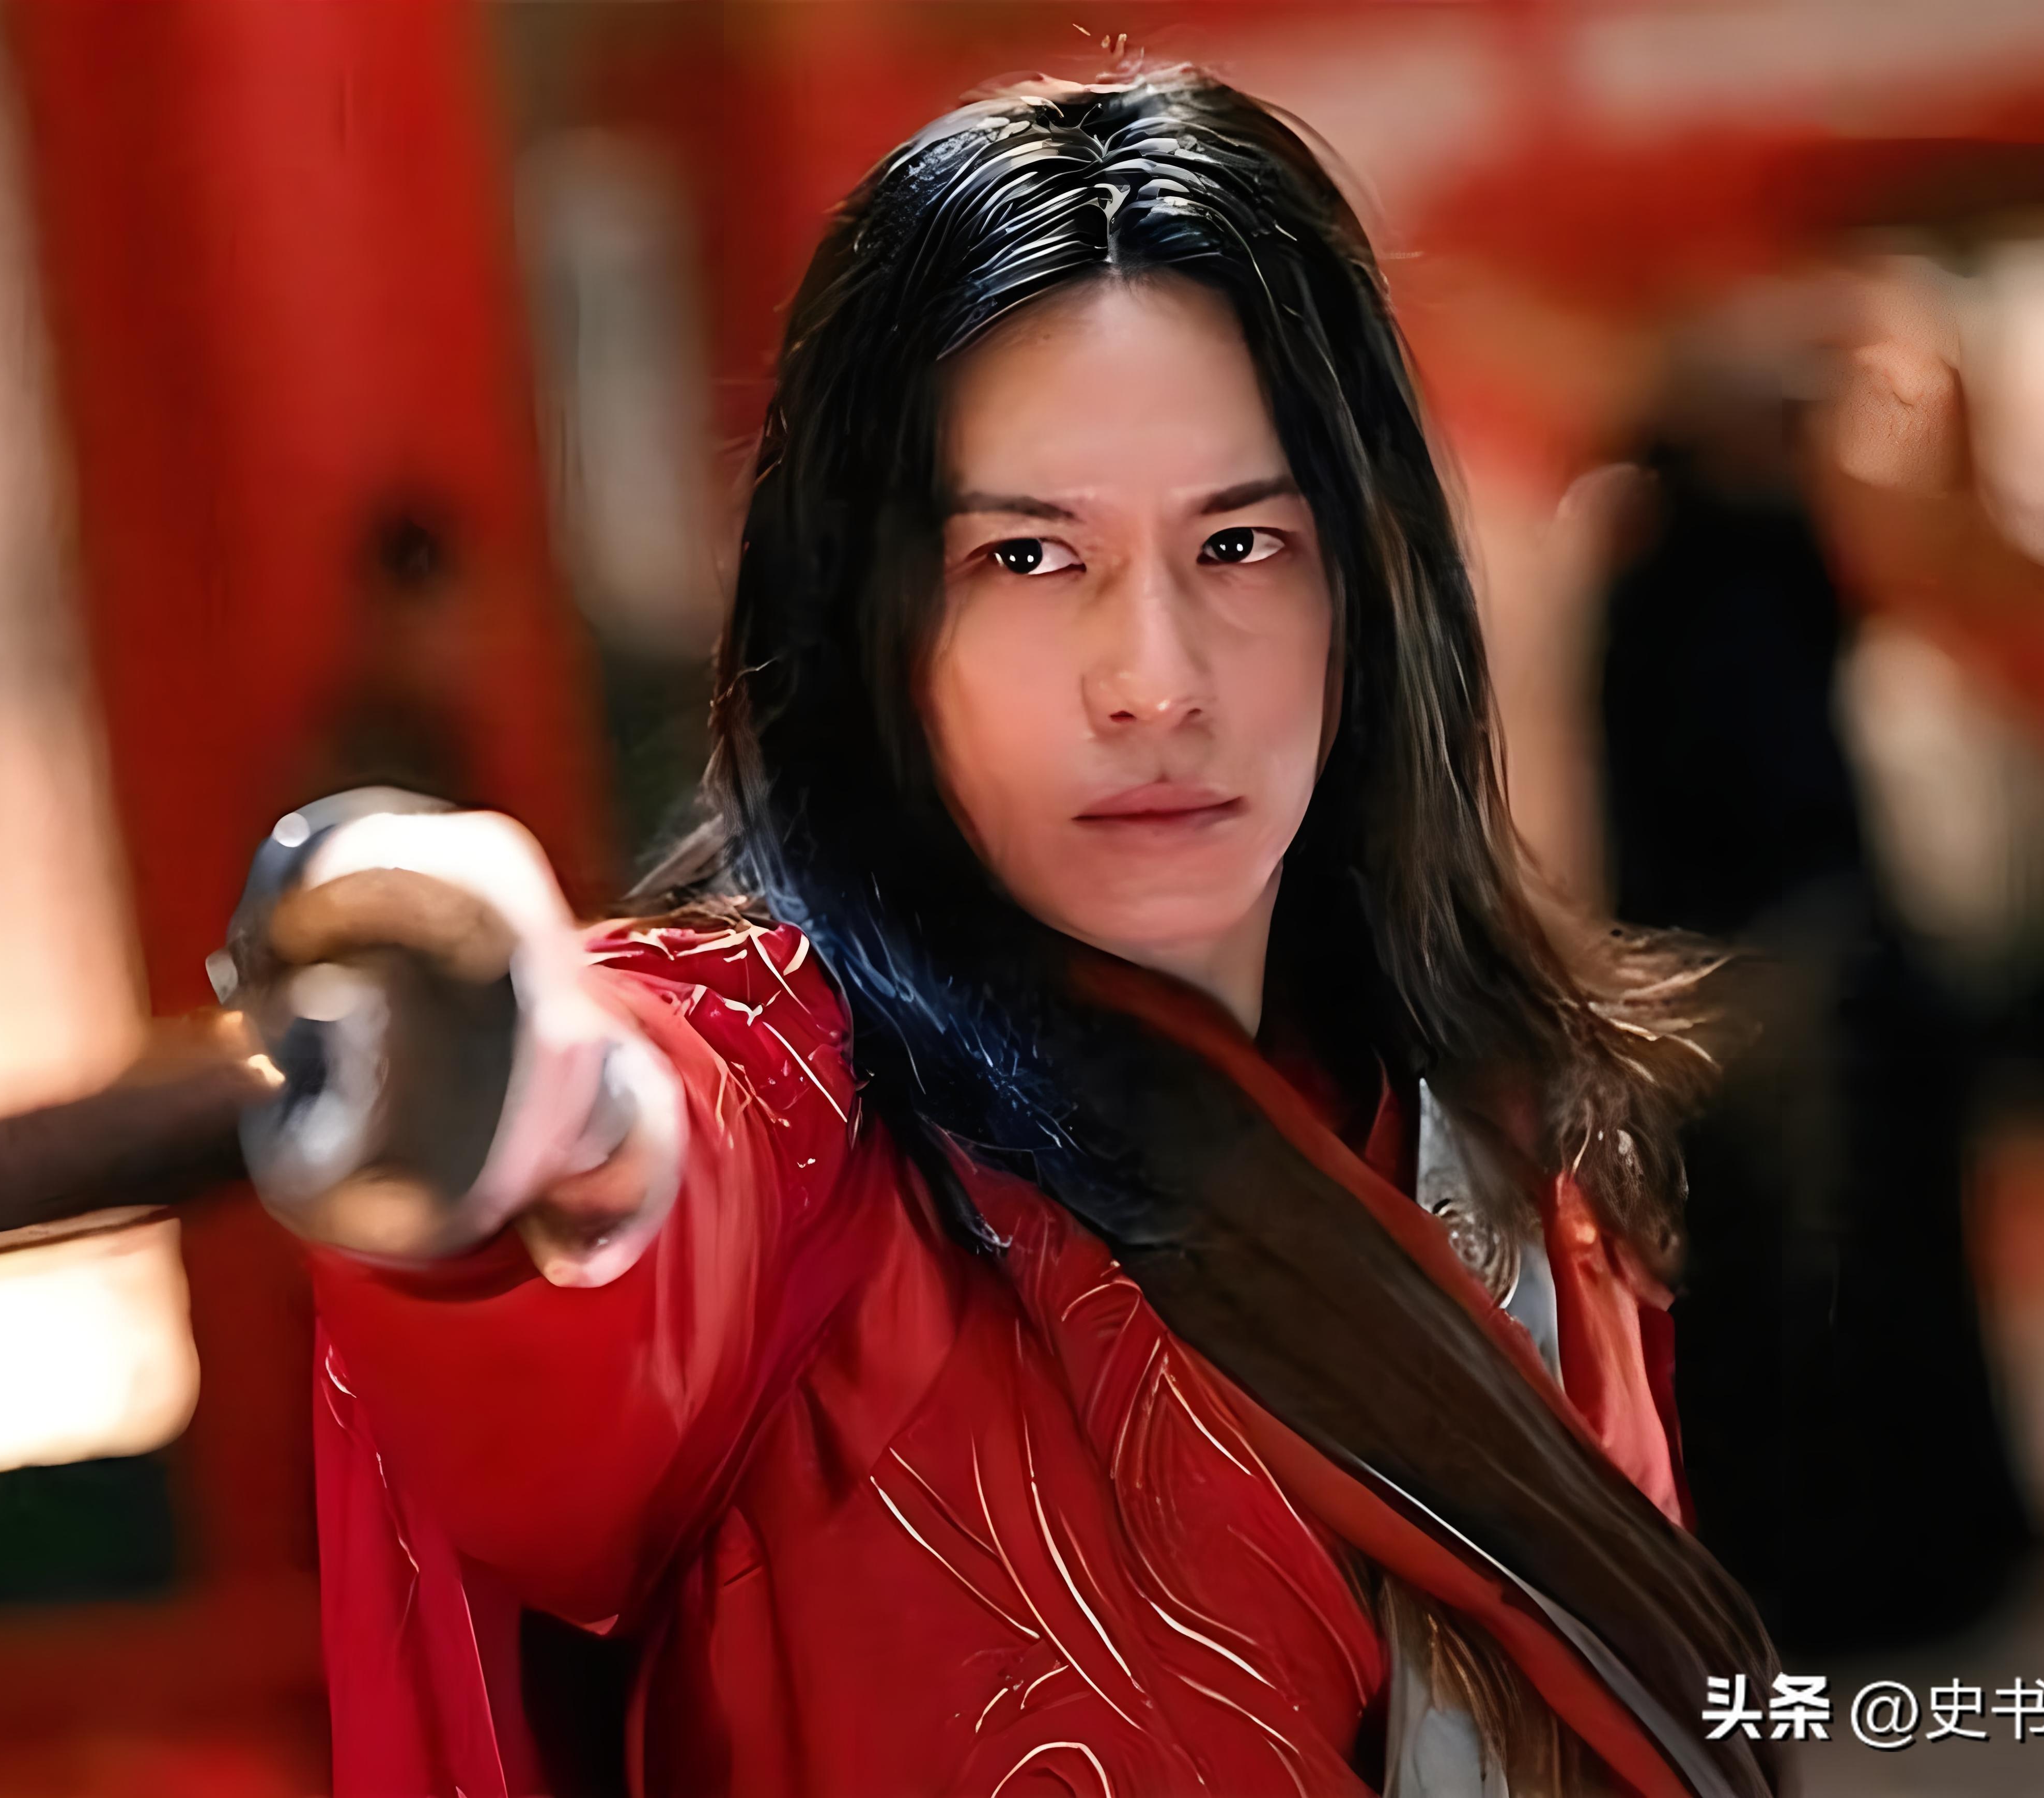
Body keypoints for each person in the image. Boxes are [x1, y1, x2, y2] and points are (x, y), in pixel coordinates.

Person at [238, 71, 1783, 1798]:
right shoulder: (790, 1139)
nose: (1157, 681)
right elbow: (625, 1163)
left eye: (1242, 542)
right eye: (1031, 560)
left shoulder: (1506, 1140)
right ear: (869, 619)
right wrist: (527, 1073)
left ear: (1371, 583)